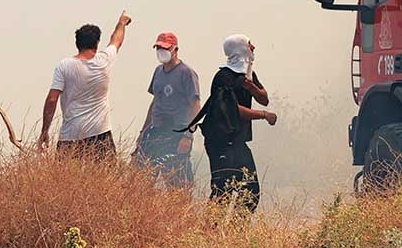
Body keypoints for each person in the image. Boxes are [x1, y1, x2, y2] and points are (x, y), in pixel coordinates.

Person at [189, 34, 276, 212]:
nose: (253, 49)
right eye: (249, 45)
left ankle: (235, 231)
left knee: (251, 191)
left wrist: (251, 86)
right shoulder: (223, 78)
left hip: (238, 143)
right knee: (222, 192)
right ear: (241, 49)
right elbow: (233, 110)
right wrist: (264, 115)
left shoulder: (249, 76)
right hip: (220, 143)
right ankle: (210, 233)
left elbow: (264, 98)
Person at [38, 11, 131, 158]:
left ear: (77, 44)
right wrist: (122, 23)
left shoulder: (65, 65)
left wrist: (45, 131)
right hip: (100, 135)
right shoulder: (104, 60)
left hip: (70, 137)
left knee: (65, 180)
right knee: (106, 179)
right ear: (96, 44)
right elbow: (116, 40)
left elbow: (52, 99)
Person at [135, 32, 201, 185]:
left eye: (165, 48)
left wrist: (188, 136)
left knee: (177, 182)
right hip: (156, 131)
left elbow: (195, 106)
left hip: (176, 134)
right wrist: (143, 132)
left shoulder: (187, 73)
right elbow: (155, 102)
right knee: (144, 179)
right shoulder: (158, 71)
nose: (161, 52)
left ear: (175, 50)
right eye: (158, 48)